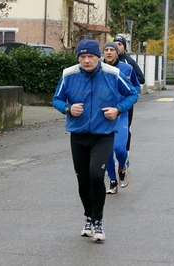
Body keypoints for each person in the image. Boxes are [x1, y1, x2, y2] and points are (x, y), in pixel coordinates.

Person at [52, 39, 138, 241]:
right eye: (83, 57)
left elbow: (133, 93)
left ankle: (98, 222)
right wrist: (67, 108)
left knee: (96, 176)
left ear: (98, 57)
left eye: (90, 56)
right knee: (83, 180)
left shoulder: (113, 73)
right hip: (79, 134)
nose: (87, 60)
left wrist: (118, 110)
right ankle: (88, 217)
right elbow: (56, 99)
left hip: (103, 134)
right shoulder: (69, 74)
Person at [102, 41, 141, 194]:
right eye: (106, 50)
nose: (109, 52)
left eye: (112, 49)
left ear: (118, 53)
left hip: (121, 114)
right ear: (103, 53)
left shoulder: (127, 68)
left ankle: (123, 167)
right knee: (106, 152)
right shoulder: (98, 69)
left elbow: (136, 88)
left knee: (119, 148)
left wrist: (123, 104)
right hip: (102, 116)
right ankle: (113, 181)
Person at [113, 35, 145, 167]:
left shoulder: (129, 62)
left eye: (120, 44)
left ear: (124, 47)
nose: (117, 46)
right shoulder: (105, 63)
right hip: (109, 103)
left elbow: (141, 79)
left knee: (126, 130)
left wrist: (127, 87)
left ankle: (125, 155)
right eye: (115, 44)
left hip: (125, 103)